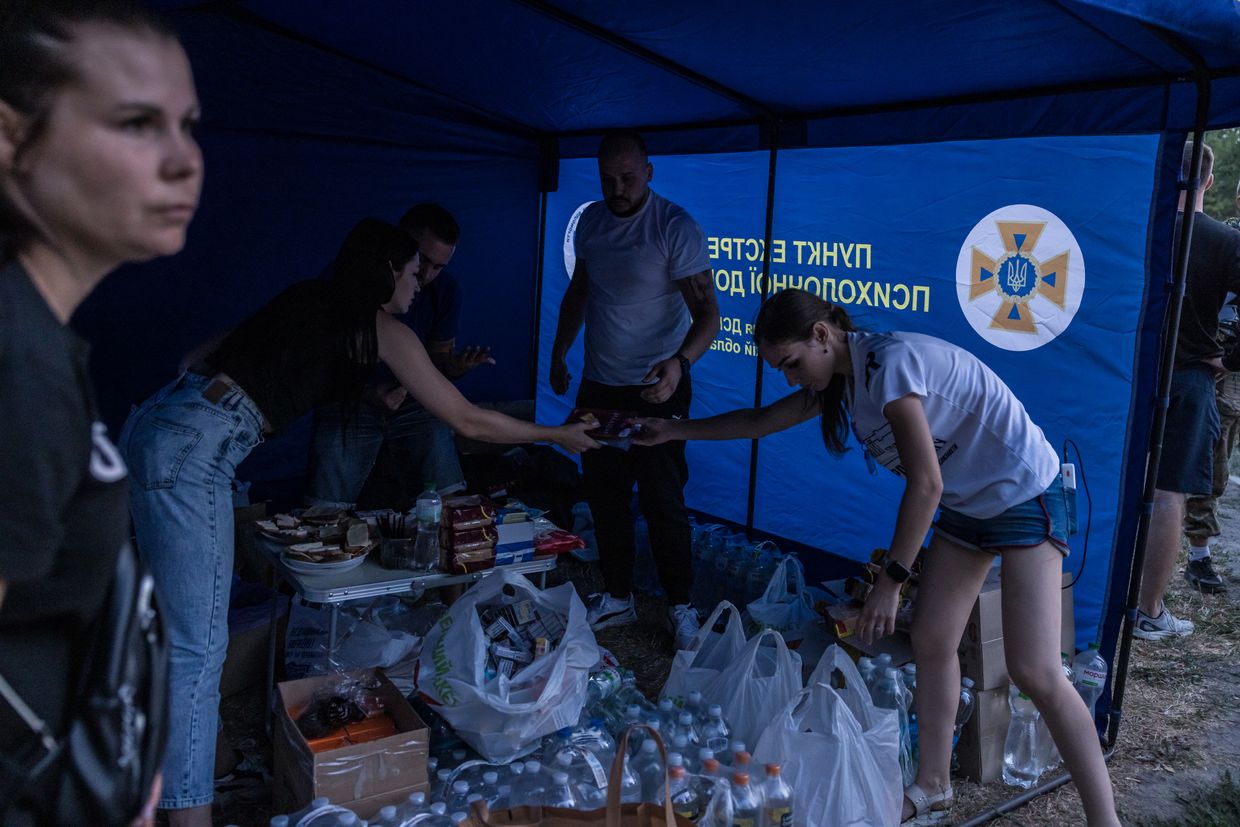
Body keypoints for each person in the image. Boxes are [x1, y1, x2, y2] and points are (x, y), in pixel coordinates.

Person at [119, 218, 597, 825]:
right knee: (195, 648)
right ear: (387, 272)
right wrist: (557, 434)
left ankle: (201, 767)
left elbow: (198, 355)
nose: (421, 284)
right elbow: (468, 420)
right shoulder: (381, 327)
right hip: (192, 453)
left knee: (172, 630)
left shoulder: (309, 297)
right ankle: (190, 817)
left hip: (158, 420)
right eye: (414, 272)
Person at [634, 288, 1120, 826]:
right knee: (935, 639)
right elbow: (759, 421)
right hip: (968, 503)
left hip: (1023, 493)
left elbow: (925, 483)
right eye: (781, 370)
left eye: (791, 364)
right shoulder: (842, 379)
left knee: (1036, 669)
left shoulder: (887, 364)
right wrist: (673, 430)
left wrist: (891, 580)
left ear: (822, 334)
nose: (791, 378)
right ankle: (934, 786)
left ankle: (1105, 820)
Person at [0, 1, 200, 823]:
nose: (184, 161)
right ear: (11, 140)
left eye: (190, 125)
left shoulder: (40, 337)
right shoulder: (16, 361)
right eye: (136, 123)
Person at [548, 130, 719, 650]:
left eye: (626, 177)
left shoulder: (674, 227)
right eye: (607, 179)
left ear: (649, 170)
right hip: (599, 383)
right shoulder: (593, 225)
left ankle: (680, 606)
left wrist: (678, 365)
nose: (617, 188)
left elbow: (709, 314)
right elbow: (579, 292)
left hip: (656, 388)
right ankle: (618, 595)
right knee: (605, 496)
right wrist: (559, 353)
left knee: (664, 497)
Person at [307, 203, 495, 507]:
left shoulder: (443, 292)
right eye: (419, 264)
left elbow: (439, 370)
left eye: (439, 268)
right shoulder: (343, 284)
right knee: (325, 510)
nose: (424, 278)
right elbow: (318, 369)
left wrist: (454, 367)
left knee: (446, 496)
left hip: (410, 401)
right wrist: (365, 393)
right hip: (349, 400)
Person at [1138, 141, 1240, 639]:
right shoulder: (1225, 241)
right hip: (1190, 378)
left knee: (1122, 486)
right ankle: (1148, 612)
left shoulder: (1139, 227)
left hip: (1130, 376)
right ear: (1208, 183)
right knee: (1167, 493)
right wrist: (1229, 358)